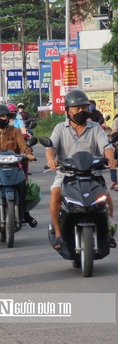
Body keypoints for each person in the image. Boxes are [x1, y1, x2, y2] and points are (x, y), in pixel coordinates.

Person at [46, 90, 117, 249]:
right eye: (76, 108)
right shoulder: (60, 128)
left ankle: (108, 231)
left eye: (84, 108)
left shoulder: (96, 128)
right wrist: (51, 160)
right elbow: (51, 147)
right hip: (67, 174)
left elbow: (106, 146)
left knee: (106, 196)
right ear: (67, 110)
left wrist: (110, 156)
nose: (81, 111)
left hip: (93, 174)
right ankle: (58, 233)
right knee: (55, 193)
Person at [0, 104, 37, 228]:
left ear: (8, 117)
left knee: (25, 189)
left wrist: (29, 154)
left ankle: (25, 213)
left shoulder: (15, 131)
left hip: (14, 166)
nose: (0, 119)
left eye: (2, 116)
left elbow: (23, 145)